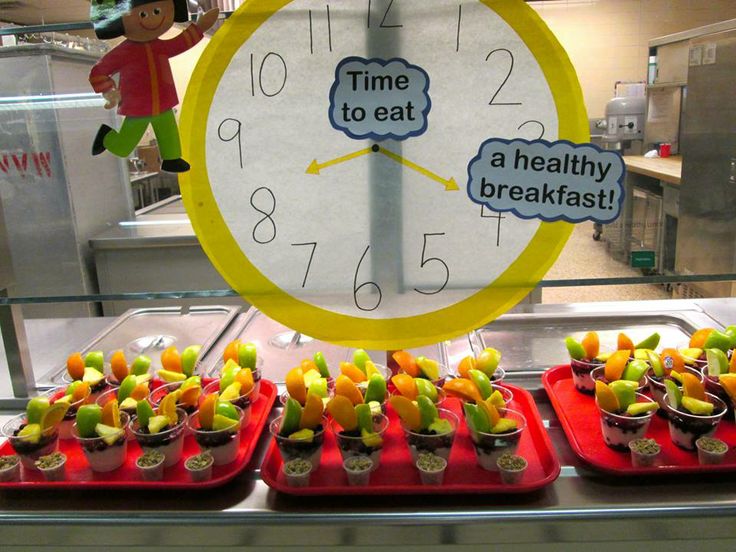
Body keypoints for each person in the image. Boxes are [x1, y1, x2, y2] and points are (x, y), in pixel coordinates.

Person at [89, 0, 219, 172]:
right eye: (143, 14)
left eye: (157, 11)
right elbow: (98, 72)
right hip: (138, 107)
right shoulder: (123, 52)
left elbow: (180, 43)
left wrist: (199, 27)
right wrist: (108, 91)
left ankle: (171, 159)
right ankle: (106, 137)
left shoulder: (159, 46)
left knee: (169, 132)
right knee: (123, 147)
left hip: (163, 101)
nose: (151, 19)